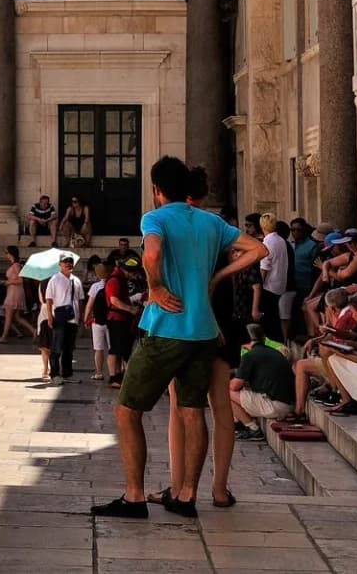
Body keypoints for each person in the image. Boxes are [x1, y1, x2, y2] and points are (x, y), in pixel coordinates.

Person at [93, 156, 263, 520]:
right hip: (204, 332)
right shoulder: (211, 222)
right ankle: (187, 496)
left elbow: (152, 252)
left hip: (167, 329)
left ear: (156, 190)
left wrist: (154, 287)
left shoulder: (155, 218)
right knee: (191, 412)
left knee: (126, 411)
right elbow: (258, 249)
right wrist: (216, 278)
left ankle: (134, 496)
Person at [230, 335, 294, 439]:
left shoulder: (250, 356)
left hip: (276, 406)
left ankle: (253, 428)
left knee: (225, 392)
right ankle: (238, 421)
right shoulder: (274, 352)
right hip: (287, 404)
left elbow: (234, 386)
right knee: (243, 390)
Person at [43, 254, 83, 382]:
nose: (68, 264)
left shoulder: (76, 280)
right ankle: (54, 374)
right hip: (60, 316)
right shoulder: (54, 279)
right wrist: (50, 316)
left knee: (69, 348)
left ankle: (67, 373)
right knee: (57, 346)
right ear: (60, 264)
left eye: (70, 261)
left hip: (73, 318)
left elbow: (80, 299)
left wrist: (80, 316)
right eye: (65, 261)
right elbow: (49, 298)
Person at [253, 213, 290, 347]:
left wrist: (259, 286)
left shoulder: (268, 242)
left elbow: (264, 268)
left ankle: (273, 346)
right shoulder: (281, 241)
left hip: (269, 286)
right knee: (274, 319)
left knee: (269, 322)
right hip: (280, 284)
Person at [0, 246, 34, 342]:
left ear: (11, 254)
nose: (7, 255)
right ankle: (34, 331)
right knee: (17, 317)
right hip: (13, 291)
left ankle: (4, 337)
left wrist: (7, 282)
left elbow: (21, 280)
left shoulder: (16, 266)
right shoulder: (16, 265)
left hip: (14, 293)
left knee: (8, 316)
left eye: (7, 253)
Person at [86, 259, 110, 382]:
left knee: (98, 348)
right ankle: (115, 372)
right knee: (113, 349)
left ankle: (99, 373)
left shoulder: (95, 286)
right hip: (111, 321)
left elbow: (89, 305)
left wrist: (86, 318)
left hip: (97, 321)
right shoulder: (113, 284)